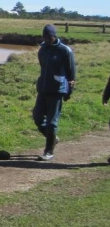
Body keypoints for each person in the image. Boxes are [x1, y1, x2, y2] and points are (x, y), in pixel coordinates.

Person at [32, 24, 76, 161]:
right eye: (44, 37)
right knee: (37, 117)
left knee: (52, 122)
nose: (46, 40)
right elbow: (43, 67)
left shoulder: (65, 51)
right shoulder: (43, 50)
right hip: (43, 89)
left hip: (57, 91)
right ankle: (53, 139)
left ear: (54, 36)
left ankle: (48, 151)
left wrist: (69, 90)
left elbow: (71, 73)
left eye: (48, 37)